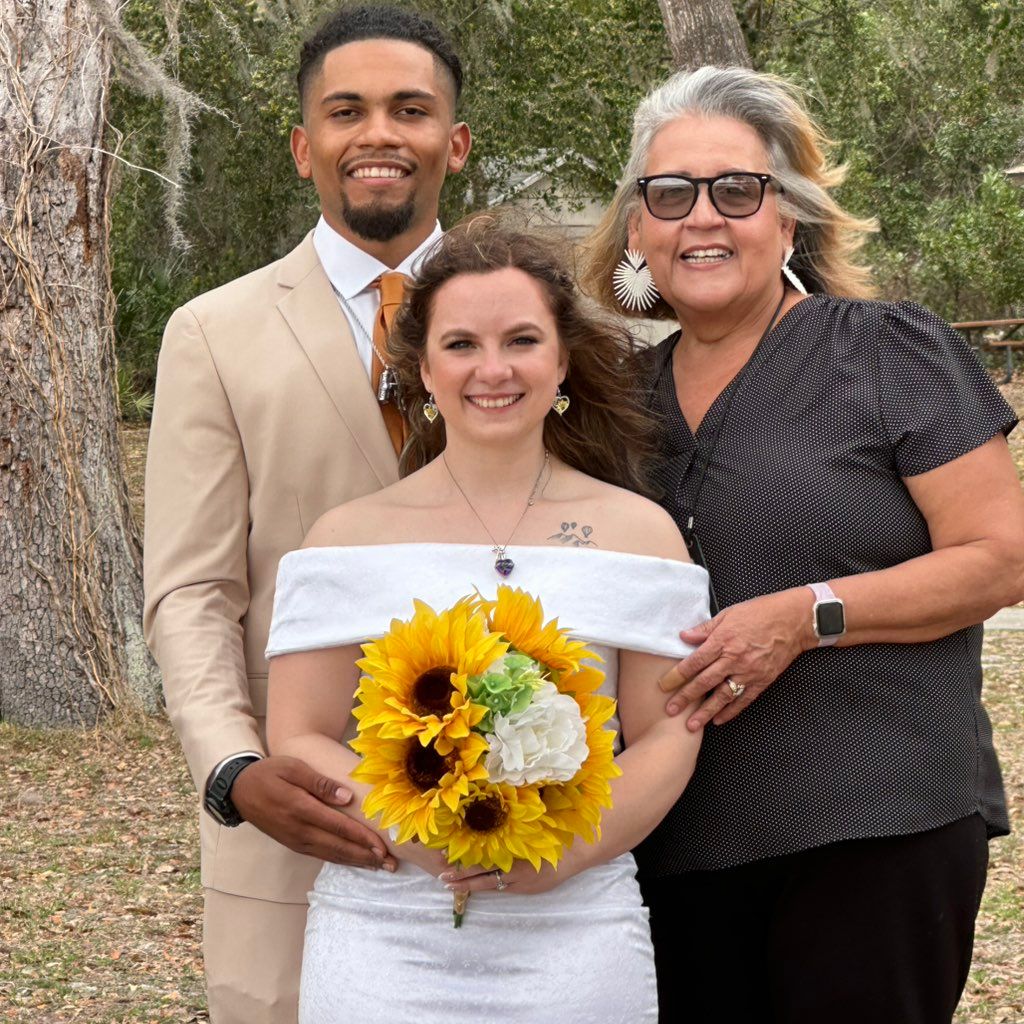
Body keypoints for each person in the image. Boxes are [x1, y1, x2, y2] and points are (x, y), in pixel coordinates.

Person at [582, 65, 1024, 1024]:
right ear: (636, 230)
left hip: (874, 822)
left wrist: (808, 615)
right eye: (670, 194)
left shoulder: (885, 351)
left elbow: (1000, 555)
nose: (703, 217)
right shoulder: (615, 404)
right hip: (670, 839)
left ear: (787, 219)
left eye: (736, 190)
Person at [263, 220, 710, 1022]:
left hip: (577, 928)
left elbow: (670, 731)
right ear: (423, 368)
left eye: (522, 340)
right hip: (387, 925)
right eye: (462, 344)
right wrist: (438, 827)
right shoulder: (345, 538)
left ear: (562, 359)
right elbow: (299, 733)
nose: (493, 369)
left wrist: (557, 855)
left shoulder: (642, 534)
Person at [142, 7, 472, 1021]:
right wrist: (234, 767)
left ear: (453, 144)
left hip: (516, 820)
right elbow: (191, 590)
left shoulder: (544, 324)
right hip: (300, 819)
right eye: (346, 111)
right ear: (304, 147)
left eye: (409, 109)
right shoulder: (213, 334)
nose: (378, 134)